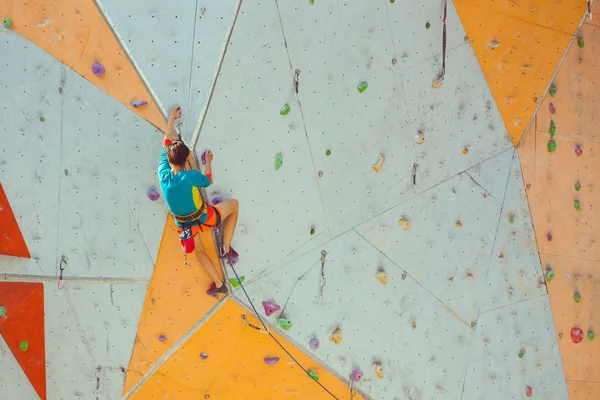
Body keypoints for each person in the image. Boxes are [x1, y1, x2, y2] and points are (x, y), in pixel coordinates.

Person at [158, 106, 239, 296]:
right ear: (187, 159)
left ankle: (219, 284)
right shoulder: (191, 176)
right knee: (234, 206)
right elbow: (208, 180)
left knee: (199, 250)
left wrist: (171, 120)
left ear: (169, 160)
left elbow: (166, 143)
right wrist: (208, 161)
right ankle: (225, 247)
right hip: (205, 218)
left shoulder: (163, 175)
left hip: (187, 227)